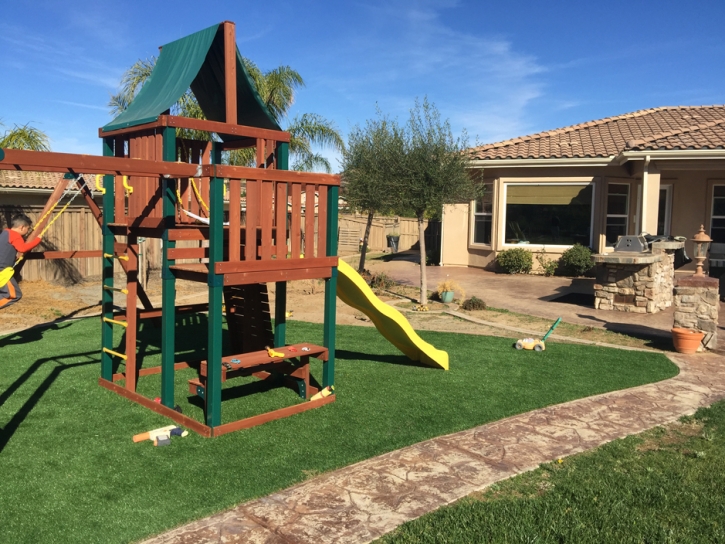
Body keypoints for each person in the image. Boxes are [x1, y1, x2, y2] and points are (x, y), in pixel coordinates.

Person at [0, 214, 43, 309]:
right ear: (22, 227)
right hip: (2, 272)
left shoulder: (5, 233)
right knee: (14, 295)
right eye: (28, 229)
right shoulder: (15, 236)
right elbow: (22, 248)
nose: (27, 231)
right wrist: (37, 240)